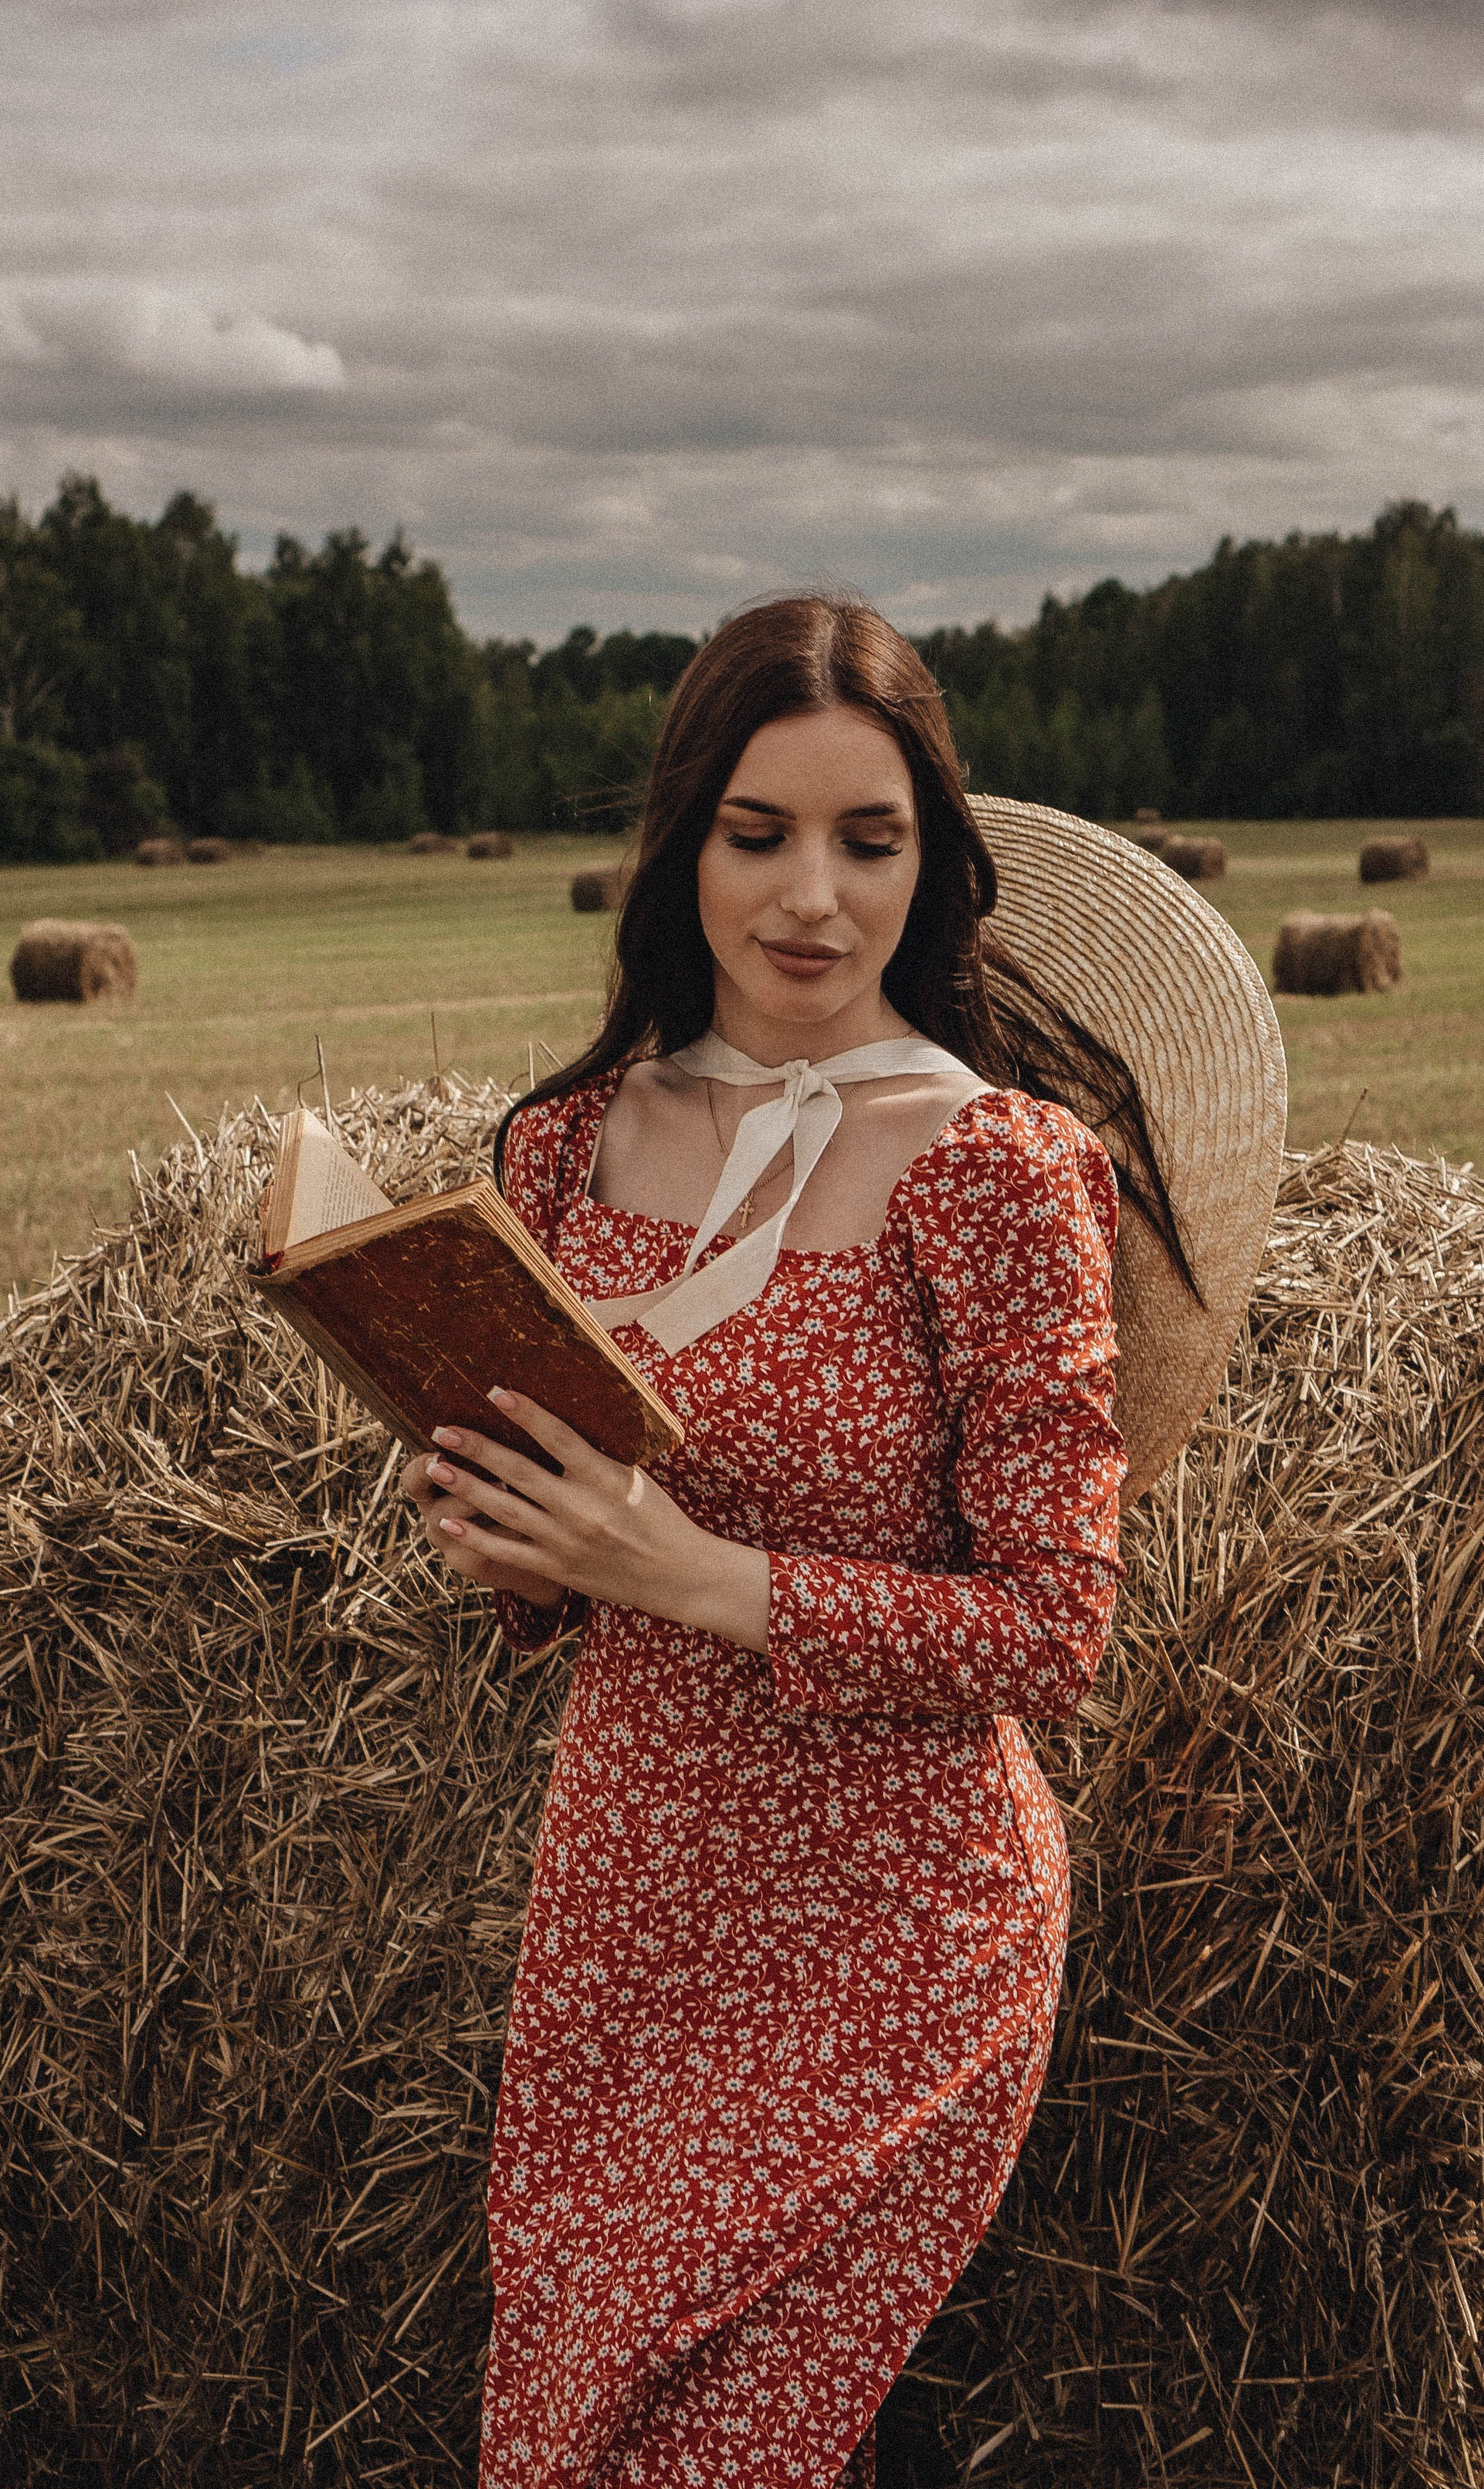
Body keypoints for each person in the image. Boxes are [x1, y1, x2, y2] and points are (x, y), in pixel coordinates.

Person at [402, 594, 1206, 2489]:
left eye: (871, 840)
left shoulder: (995, 1168)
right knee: (562, 2437)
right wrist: (510, 1540)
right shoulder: (562, 1153)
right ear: (682, 841)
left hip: (898, 1937)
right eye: (757, 833)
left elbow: (1054, 1630)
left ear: (933, 868)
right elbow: (554, 1568)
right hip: (628, 1915)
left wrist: (698, 1578)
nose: (811, 900)